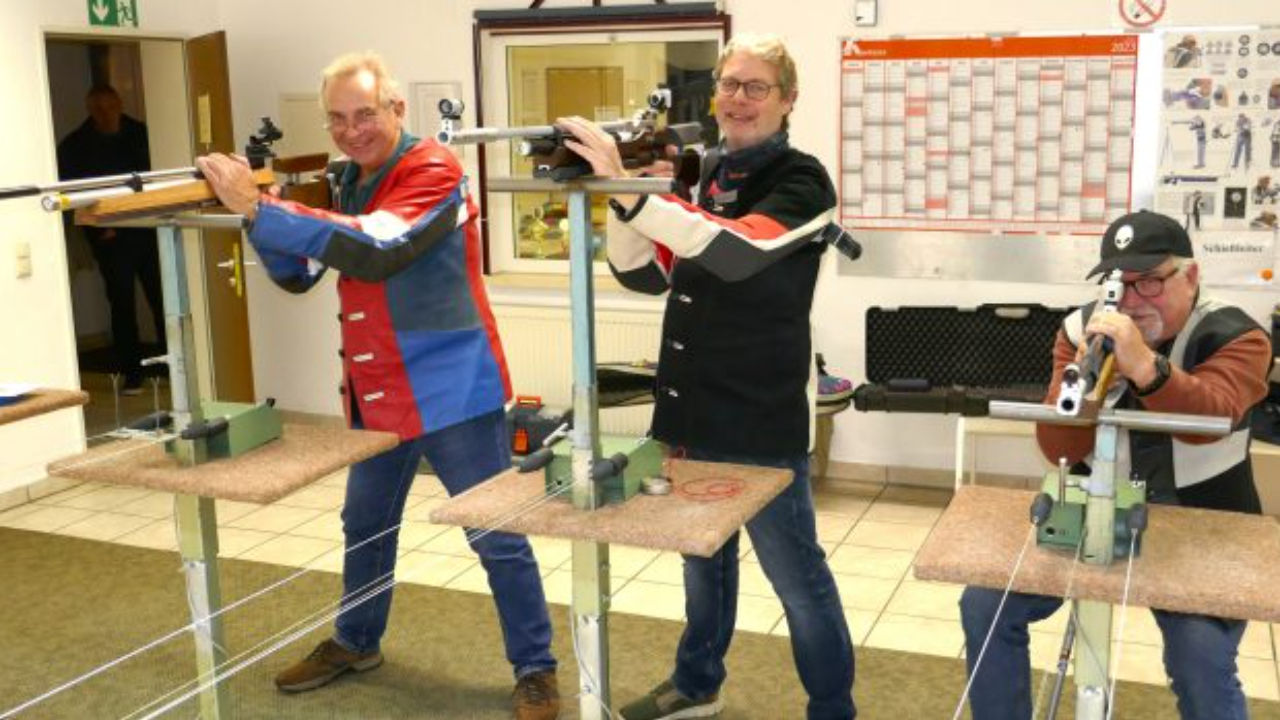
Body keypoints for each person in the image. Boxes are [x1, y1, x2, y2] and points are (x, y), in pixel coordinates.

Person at [196, 52, 560, 720]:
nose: (351, 130)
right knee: (364, 524)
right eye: (336, 119)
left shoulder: (434, 169)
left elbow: (375, 247)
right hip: (378, 389)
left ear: (396, 108)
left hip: (452, 387)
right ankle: (357, 641)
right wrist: (258, 219)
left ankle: (536, 669)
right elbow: (301, 273)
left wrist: (260, 207)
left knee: (494, 533)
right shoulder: (346, 180)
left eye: (364, 114)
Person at [557, 33, 856, 720]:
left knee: (797, 579)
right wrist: (627, 191)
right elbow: (641, 273)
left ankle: (832, 707)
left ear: (787, 100)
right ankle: (697, 686)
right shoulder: (706, 172)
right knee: (702, 562)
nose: (738, 100)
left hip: (761, 418)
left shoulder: (804, 181)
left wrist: (642, 198)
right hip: (691, 410)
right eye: (728, 84)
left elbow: (738, 249)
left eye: (756, 87)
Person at [958, 210, 1272, 720]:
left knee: (1200, 655)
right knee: (985, 605)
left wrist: (1146, 368)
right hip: (1094, 510)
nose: (1131, 300)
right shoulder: (1079, 330)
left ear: (1190, 275)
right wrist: (1090, 384)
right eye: (1118, 284)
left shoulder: (1238, 335)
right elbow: (1057, 446)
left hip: (1203, 521)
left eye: (1149, 282)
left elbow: (1212, 416)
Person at [56, 85, 166, 396]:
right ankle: (132, 373)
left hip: (149, 229)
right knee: (122, 305)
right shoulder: (76, 146)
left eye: (109, 107)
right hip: (111, 237)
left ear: (119, 104)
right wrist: (98, 229)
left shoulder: (142, 134)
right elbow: (71, 194)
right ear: (89, 110)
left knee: (163, 300)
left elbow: (158, 179)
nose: (105, 114)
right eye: (98, 109)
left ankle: (170, 365)